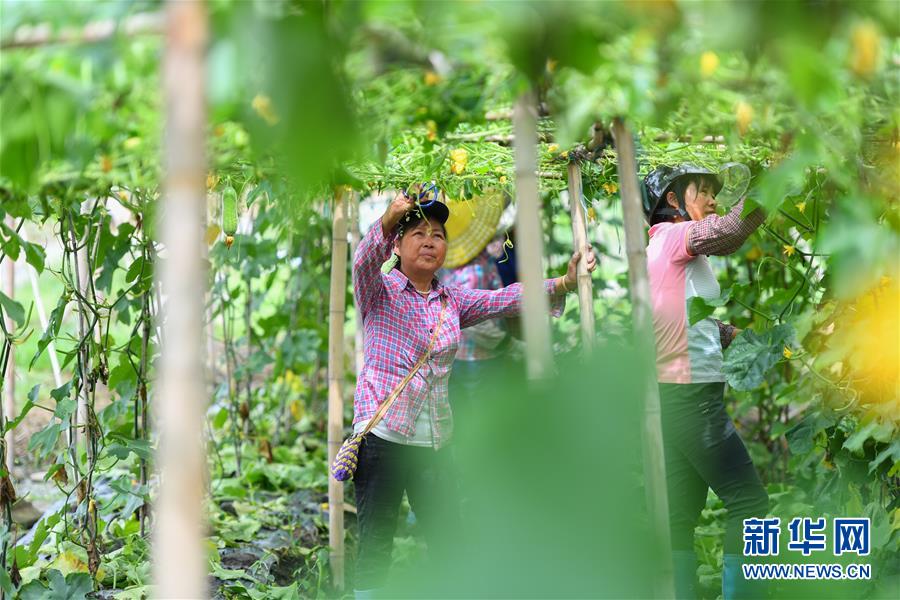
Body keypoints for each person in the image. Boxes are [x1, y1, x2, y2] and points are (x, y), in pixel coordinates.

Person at [351, 189, 595, 597]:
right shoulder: (379, 292)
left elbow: (503, 299)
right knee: (376, 546)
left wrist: (565, 283)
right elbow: (362, 261)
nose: (430, 240)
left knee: (451, 544)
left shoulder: (452, 301)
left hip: (433, 442)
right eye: (418, 233)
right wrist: (388, 219)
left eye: (438, 235)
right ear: (397, 243)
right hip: (383, 440)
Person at [643, 164, 769, 600]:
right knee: (750, 503)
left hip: (673, 394)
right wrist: (774, 187)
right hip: (693, 396)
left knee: (682, 514)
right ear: (674, 200)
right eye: (705, 192)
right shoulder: (676, 237)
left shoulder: (658, 251)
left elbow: (686, 320)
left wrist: (745, 339)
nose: (713, 201)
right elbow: (731, 232)